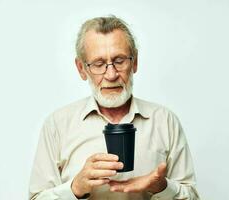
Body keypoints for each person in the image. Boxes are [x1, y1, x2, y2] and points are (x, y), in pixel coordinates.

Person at [29, 15, 200, 200]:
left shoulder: (165, 121)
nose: (111, 75)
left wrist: (162, 187)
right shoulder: (58, 125)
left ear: (134, 62)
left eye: (119, 61)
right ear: (81, 68)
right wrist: (75, 188)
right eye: (99, 64)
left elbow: (192, 197)